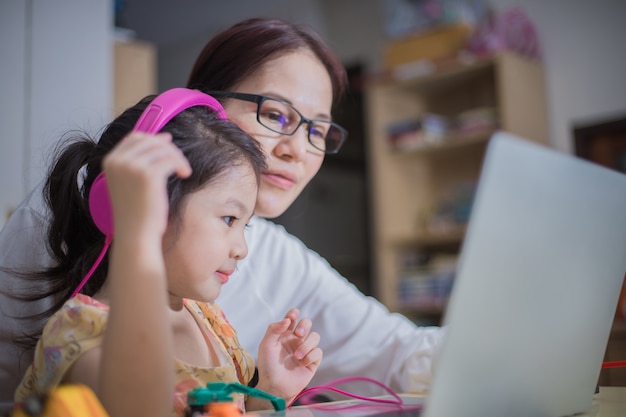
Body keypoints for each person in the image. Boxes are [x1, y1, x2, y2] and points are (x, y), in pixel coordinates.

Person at [0, 18, 444, 411]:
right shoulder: (75, 217)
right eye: (275, 114)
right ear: (203, 109)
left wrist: (265, 393)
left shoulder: (264, 268)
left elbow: (398, 349)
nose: (298, 150)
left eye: (318, 131)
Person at [11, 89, 322, 417]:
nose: (242, 249)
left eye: (244, 226)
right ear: (145, 207)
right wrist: (137, 234)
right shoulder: (78, 332)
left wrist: (269, 391)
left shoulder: (208, 321)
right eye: (229, 219)